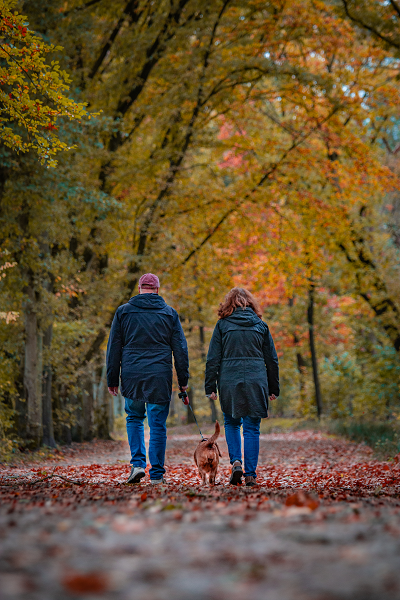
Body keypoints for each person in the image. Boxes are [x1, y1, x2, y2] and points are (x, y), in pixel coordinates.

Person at [107, 273, 189, 484]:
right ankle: (157, 475)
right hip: (159, 376)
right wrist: (183, 380)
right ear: (157, 290)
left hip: (132, 375)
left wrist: (112, 378)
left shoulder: (123, 312)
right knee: (157, 425)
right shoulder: (169, 314)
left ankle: (137, 465)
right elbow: (180, 350)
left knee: (134, 417)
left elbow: (114, 347)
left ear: (139, 288)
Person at [205, 287, 279, 487]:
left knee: (231, 422)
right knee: (252, 428)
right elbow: (272, 359)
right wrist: (273, 387)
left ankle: (236, 461)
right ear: (250, 303)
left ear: (228, 304)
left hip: (229, 378)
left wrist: (210, 386)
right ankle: (250, 474)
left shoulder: (222, 325)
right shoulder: (261, 326)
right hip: (256, 379)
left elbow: (213, 358)